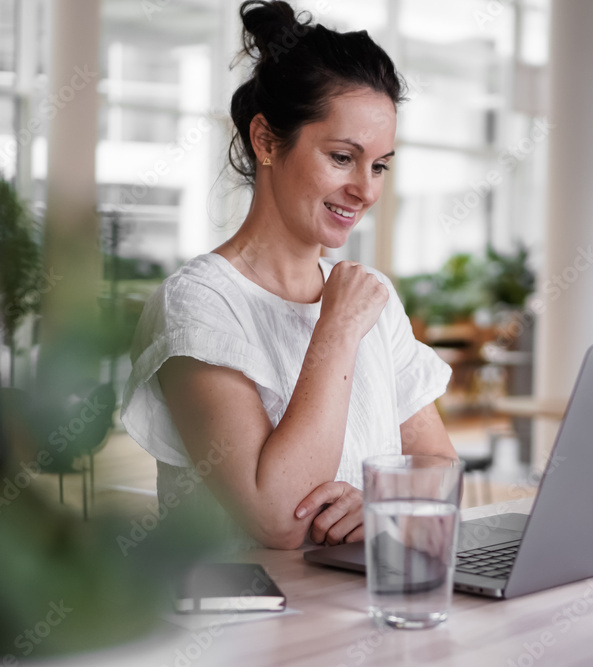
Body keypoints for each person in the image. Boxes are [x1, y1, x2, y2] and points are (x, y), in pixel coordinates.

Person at [120, 0, 456, 551]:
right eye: (343, 157)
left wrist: (377, 503)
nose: (367, 191)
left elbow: (440, 467)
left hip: (355, 611)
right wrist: (338, 329)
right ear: (268, 141)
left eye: (379, 165)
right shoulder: (199, 304)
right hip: (241, 628)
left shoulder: (371, 297)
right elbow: (278, 517)